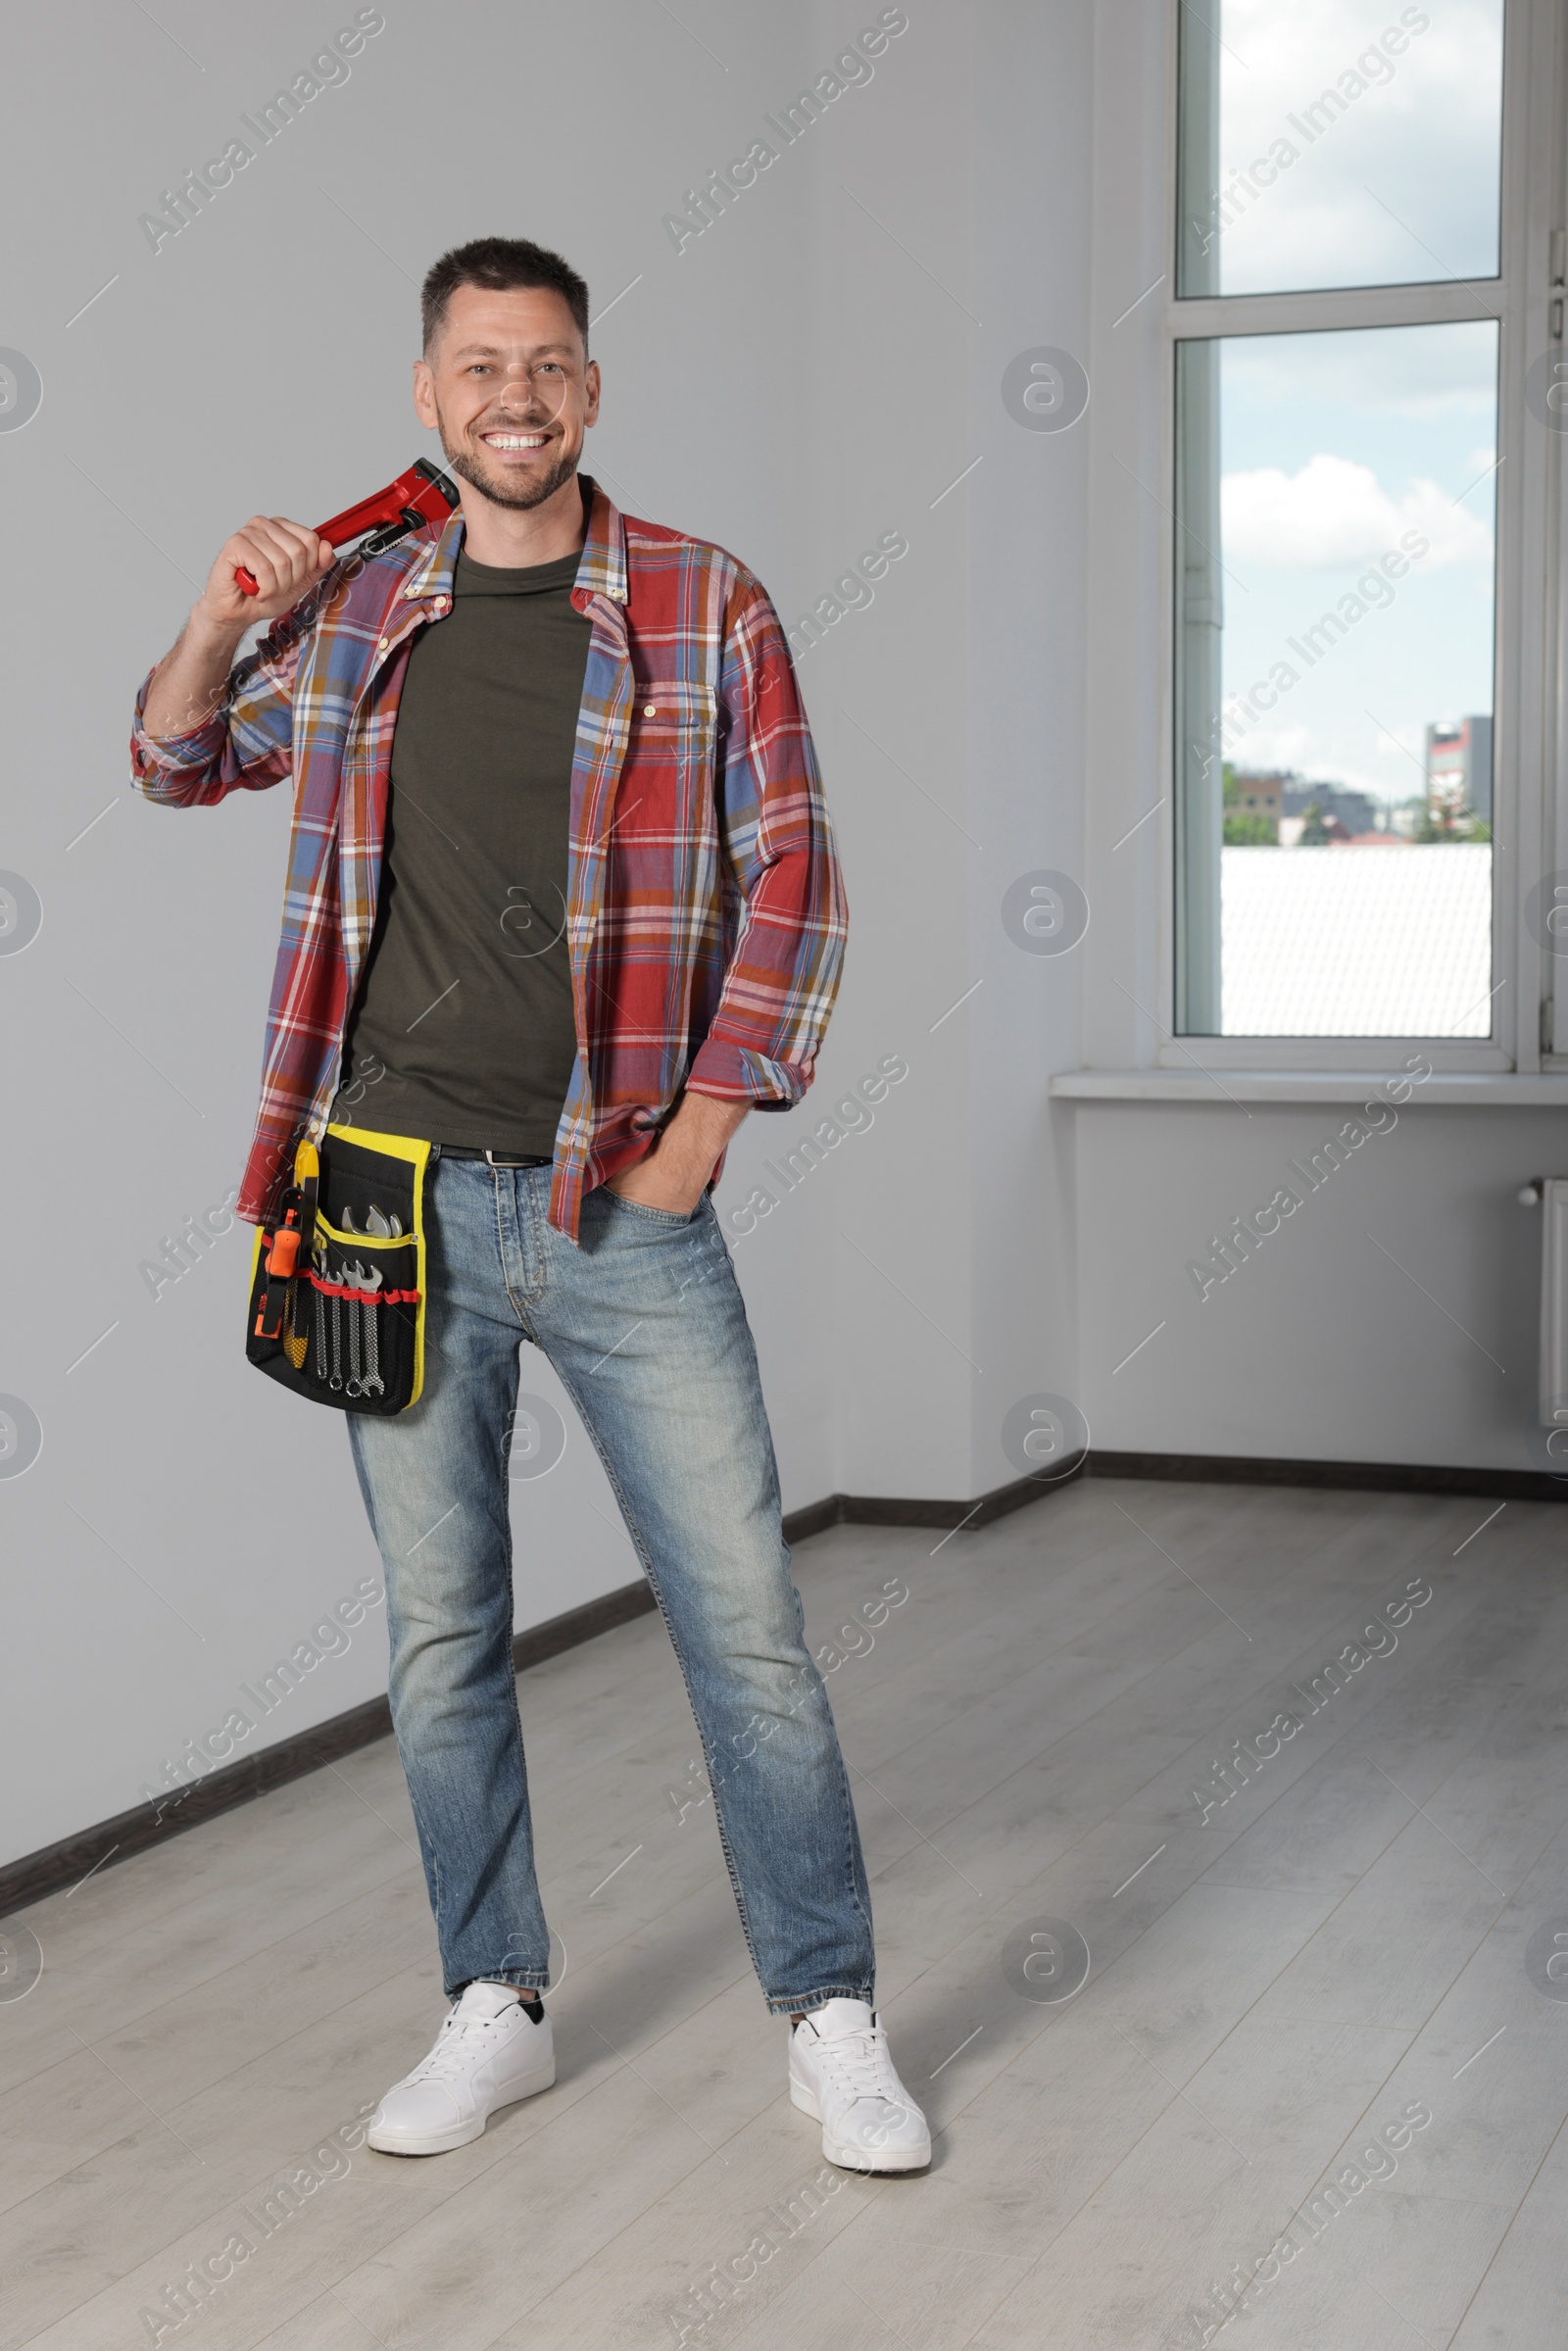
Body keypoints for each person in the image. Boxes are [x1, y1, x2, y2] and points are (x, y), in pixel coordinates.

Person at [130, 236, 929, 2174]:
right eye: (479, 363)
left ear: (589, 390)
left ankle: (827, 2014)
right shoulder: (358, 607)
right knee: (438, 1633)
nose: (515, 392)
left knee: (740, 1623)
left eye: (549, 362)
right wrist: (219, 613)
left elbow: (798, 880)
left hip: (619, 1204)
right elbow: (173, 755)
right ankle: (494, 1999)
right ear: (427, 397)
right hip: (386, 1194)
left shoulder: (696, 600)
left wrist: (699, 1135)